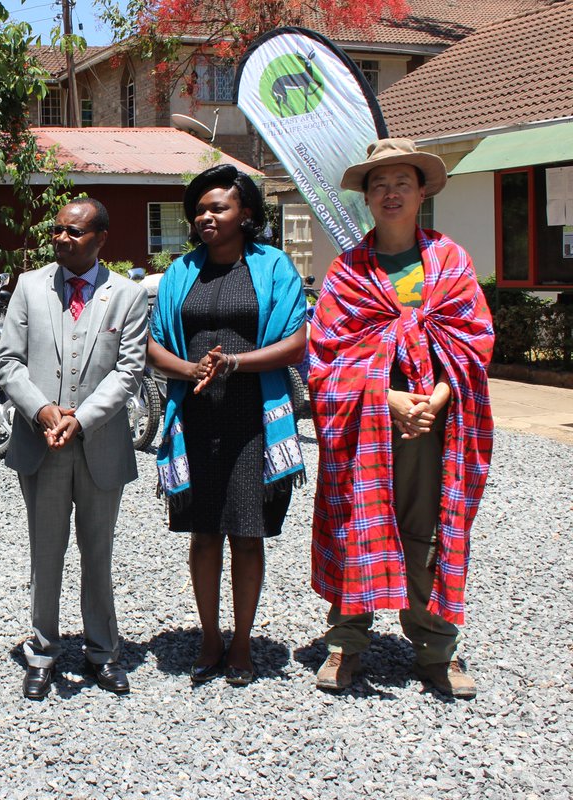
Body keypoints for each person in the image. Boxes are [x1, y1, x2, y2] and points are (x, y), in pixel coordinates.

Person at [309, 139, 494, 698]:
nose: (391, 193)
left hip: (437, 425)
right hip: (366, 426)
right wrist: (385, 398)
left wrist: (435, 400)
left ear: (421, 193)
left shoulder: (451, 262)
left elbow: (474, 341)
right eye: (379, 184)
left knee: (432, 528)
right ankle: (346, 643)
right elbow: (325, 358)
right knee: (354, 520)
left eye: (402, 184)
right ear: (366, 197)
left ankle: (436, 648)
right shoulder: (347, 273)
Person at [147, 164, 307, 687]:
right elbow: (152, 344)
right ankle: (210, 635)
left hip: (252, 419)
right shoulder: (180, 272)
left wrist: (237, 363)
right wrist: (190, 368)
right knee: (203, 531)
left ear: (247, 215)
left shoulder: (273, 266)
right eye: (201, 209)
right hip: (193, 417)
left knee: (247, 531)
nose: (206, 216)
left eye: (219, 207)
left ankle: (242, 641)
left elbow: (298, 341)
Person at [0, 197, 148, 700]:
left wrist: (80, 419)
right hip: (41, 442)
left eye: (75, 232)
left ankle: (103, 651)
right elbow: (9, 362)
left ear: (101, 238)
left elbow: (129, 372)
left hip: (99, 444)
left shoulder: (126, 295)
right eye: (58, 230)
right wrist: (43, 411)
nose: (62, 238)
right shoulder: (28, 287)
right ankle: (42, 651)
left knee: (98, 553)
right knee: (46, 552)